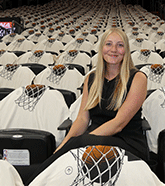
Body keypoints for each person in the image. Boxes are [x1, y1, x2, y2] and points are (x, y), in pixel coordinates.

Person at [26, 27, 148, 185]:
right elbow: (82, 120)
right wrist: (63, 145)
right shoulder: (91, 78)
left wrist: (85, 140)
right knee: (61, 154)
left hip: (127, 141)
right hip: (94, 139)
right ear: (101, 48)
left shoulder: (138, 78)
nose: (113, 50)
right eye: (108, 44)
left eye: (120, 45)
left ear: (126, 50)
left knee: (73, 147)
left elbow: (119, 124)